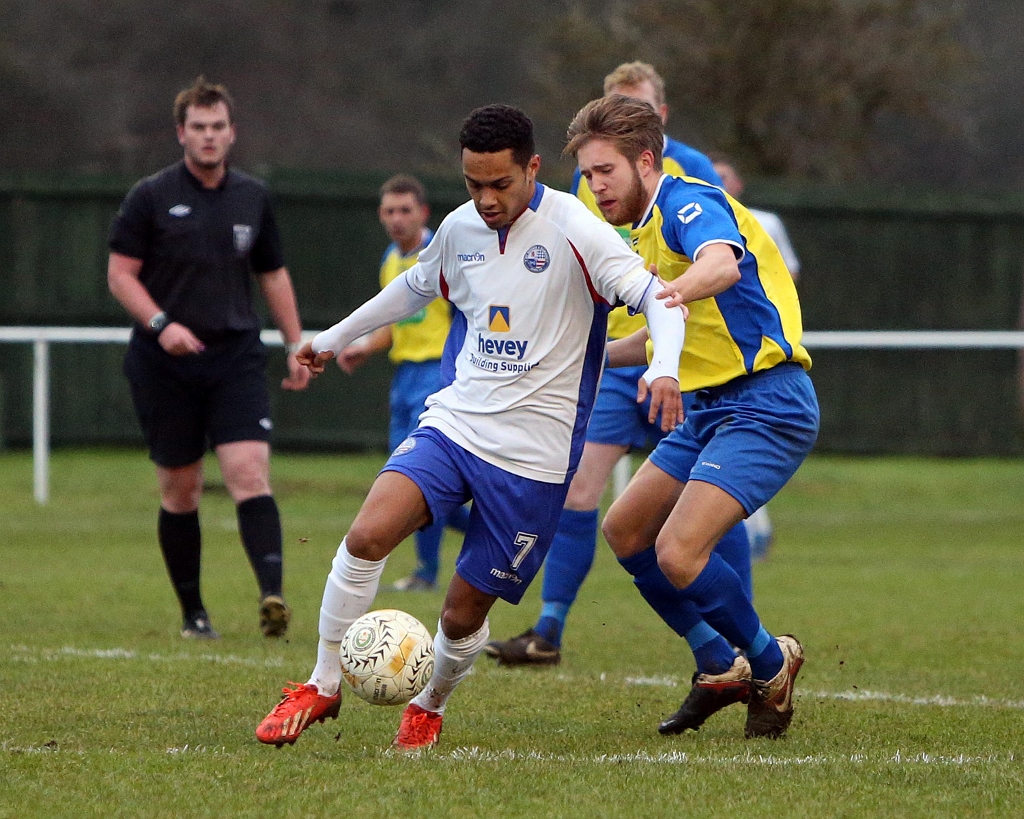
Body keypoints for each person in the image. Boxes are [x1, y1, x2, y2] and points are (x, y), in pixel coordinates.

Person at [254, 104, 686, 752]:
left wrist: (667, 367)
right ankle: (321, 683)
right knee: (368, 533)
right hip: (456, 423)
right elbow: (415, 287)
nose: (485, 199)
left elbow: (657, 296)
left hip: (534, 460)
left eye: (499, 184)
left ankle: (429, 702)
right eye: (472, 184)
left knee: (460, 615)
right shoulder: (459, 228)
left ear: (532, 168)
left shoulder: (578, 229)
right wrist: (334, 336)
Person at [485, 61, 754, 668]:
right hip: (623, 354)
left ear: (656, 126)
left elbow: (726, 256)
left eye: (641, 110)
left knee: (706, 496)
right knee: (583, 489)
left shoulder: (692, 177)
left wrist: (671, 308)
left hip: (686, 359)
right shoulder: (589, 181)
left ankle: (743, 636)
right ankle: (549, 629)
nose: (600, 180)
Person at [566, 94, 819, 739]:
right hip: (712, 409)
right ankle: (718, 659)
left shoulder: (687, 203)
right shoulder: (640, 230)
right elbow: (652, 339)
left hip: (766, 403)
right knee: (624, 530)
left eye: (605, 172)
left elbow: (720, 264)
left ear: (645, 160)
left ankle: (769, 661)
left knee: (679, 552)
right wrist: (579, 360)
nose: (595, 187)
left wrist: (670, 295)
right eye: (588, 175)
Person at [107, 76, 310, 641]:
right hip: (163, 363)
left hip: (234, 356)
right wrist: (161, 324)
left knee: (249, 472)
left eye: (218, 126)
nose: (209, 137)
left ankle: (272, 595)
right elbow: (120, 275)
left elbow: (272, 272)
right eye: (198, 127)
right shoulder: (149, 196)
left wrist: (296, 344)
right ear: (181, 134)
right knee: (182, 490)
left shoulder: (252, 196)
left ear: (232, 133)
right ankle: (194, 614)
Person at [336, 174, 469, 592]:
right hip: (404, 378)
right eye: (390, 211)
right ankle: (497, 531)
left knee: (419, 480)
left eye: (405, 210)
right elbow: (397, 321)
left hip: (438, 375)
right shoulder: (390, 260)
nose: (397, 219)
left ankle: (426, 574)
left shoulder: (443, 256)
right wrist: (365, 347)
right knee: (408, 478)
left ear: (424, 213)